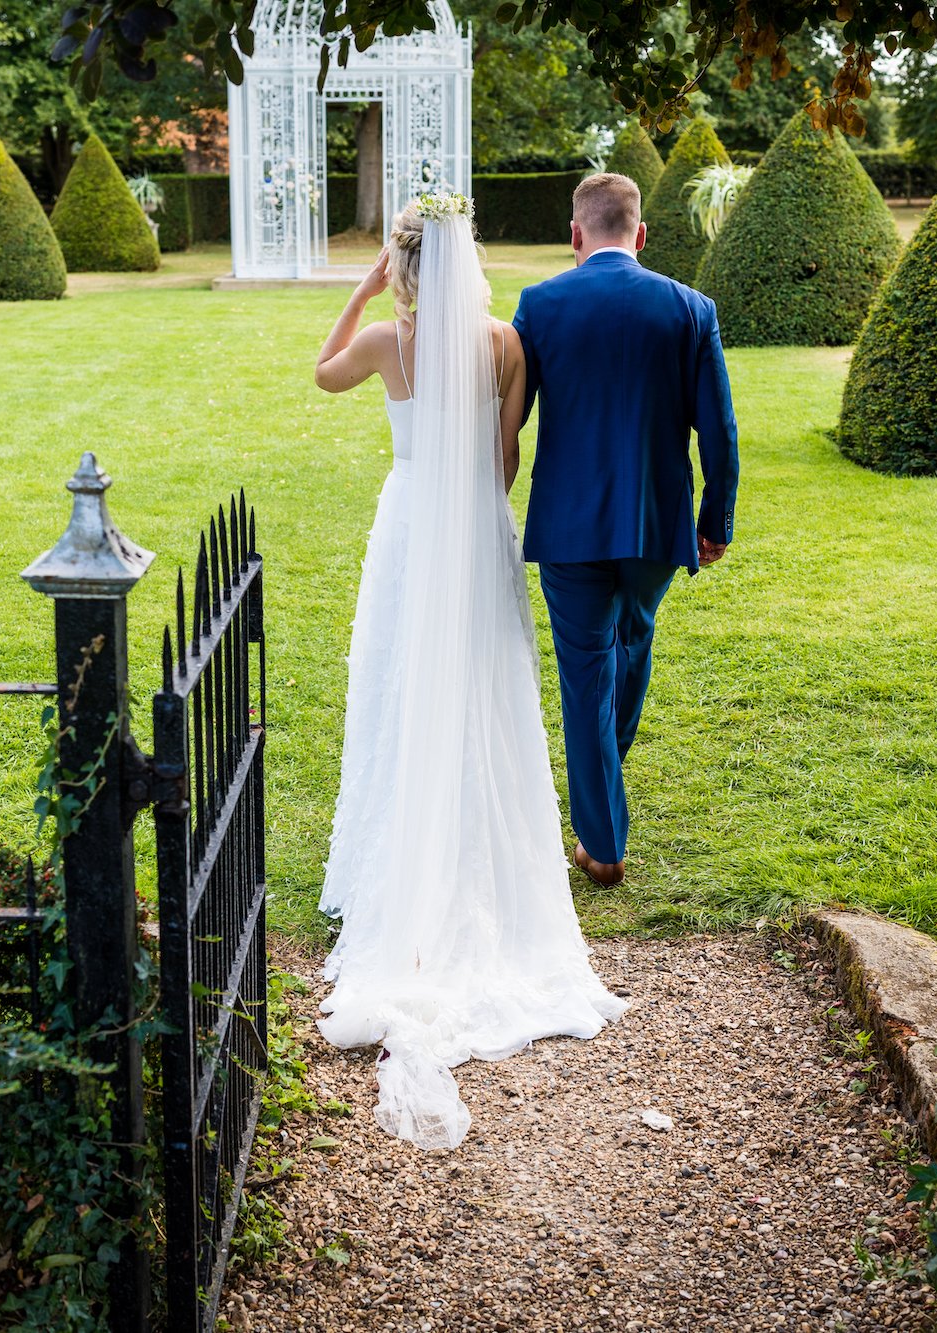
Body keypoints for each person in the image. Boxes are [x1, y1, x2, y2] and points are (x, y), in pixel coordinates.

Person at [311, 194, 626, 1150]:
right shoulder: (502, 344)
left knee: (401, 684)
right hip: (477, 527)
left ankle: (405, 855)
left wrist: (361, 293)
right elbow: (504, 460)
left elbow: (323, 375)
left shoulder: (384, 347)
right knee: (489, 689)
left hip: (410, 524)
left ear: (404, 267)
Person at [512, 172, 740, 888]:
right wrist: (716, 520)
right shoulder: (690, 308)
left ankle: (602, 838)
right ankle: (602, 814)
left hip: (569, 523)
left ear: (575, 235)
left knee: (587, 675)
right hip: (654, 522)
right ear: (641, 235)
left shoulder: (540, 305)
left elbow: (510, 414)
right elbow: (720, 432)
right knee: (633, 639)